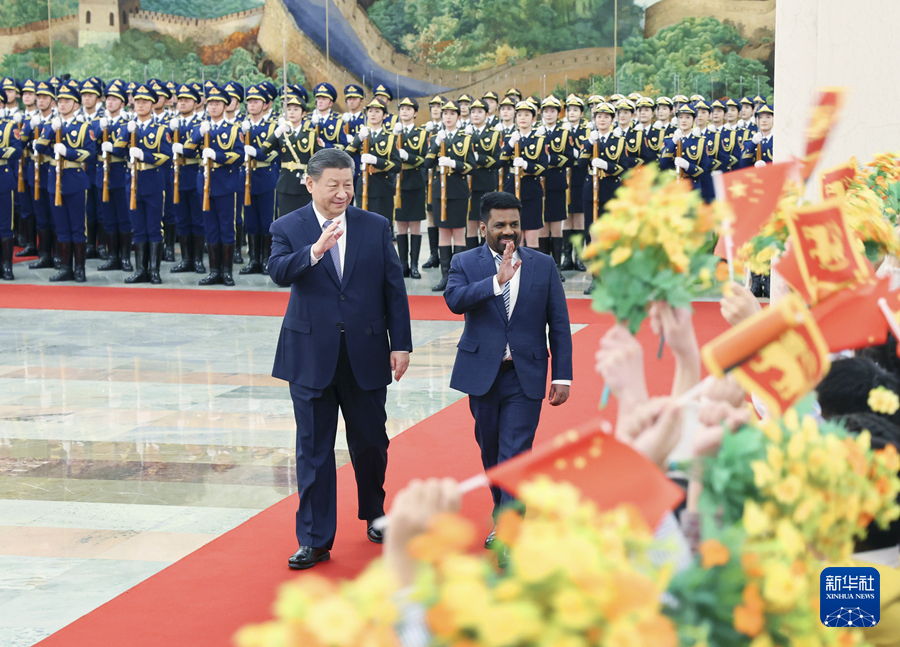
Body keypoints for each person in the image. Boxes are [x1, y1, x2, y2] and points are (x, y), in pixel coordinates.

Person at [267, 147, 412, 570]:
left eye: (348, 184)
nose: (342, 193)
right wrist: (314, 251)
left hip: (366, 351)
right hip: (310, 355)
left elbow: (393, 288)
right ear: (310, 184)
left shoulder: (374, 225)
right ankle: (314, 539)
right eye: (333, 185)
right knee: (313, 448)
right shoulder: (287, 226)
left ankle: (375, 512)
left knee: (371, 443)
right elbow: (278, 272)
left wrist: (400, 343)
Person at [444, 191, 572, 542]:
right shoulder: (464, 262)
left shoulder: (543, 265)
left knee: (515, 451)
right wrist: (496, 282)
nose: (508, 231)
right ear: (483, 227)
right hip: (481, 374)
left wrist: (562, 375)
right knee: (491, 451)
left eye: (514, 224)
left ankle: (509, 527)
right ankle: (503, 512)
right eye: (500, 224)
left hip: (524, 374)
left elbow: (559, 323)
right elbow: (454, 300)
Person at [34, 79, 95, 282]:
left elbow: (90, 154)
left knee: (77, 227)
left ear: (75, 105)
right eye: (59, 101)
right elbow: (39, 148)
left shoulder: (84, 127)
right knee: (61, 227)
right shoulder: (51, 125)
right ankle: (65, 267)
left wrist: (68, 152)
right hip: (55, 180)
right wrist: (51, 130)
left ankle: (80, 269)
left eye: (67, 101)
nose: (62, 104)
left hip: (75, 180)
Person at [188, 83, 244, 286]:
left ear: (225, 106)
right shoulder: (201, 128)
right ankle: (214, 271)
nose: (213, 106)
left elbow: (240, 156)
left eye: (217, 103)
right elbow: (187, 150)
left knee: (226, 228)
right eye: (210, 103)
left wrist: (217, 156)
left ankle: (227, 272)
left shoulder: (233, 129)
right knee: (210, 228)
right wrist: (198, 135)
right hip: (205, 184)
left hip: (225, 183)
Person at [121, 83, 172, 285]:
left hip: (153, 181)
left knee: (154, 227)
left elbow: (167, 157)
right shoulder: (128, 127)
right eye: (137, 102)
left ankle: (154, 270)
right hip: (133, 182)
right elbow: (116, 150)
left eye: (145, 102)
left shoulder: (160, 130)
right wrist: (125, 135)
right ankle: (140, 270)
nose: (140, 105)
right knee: (138, 227)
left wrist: (145, 156)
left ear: (152, 104)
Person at [423, 100, 475, 292]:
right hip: (440, 192)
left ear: (458, 117)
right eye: (445, 114)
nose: (448, 117)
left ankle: (459, 276)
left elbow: (472, 167)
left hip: (458, 191)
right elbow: (427, 164)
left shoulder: (466, 139)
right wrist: (436, 144)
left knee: (459, 233)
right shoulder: (435, 138)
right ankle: (445, 276)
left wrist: (454, 164)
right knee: (444, 233)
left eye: (452, 114)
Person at [95, 80, 135, 274]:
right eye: (108, 99)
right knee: (108, 217)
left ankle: (125, 257)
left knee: (124, 218)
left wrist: (110, 144)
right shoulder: (98, 122)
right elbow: (89, 142)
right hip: (102, 174)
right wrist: (99, 128)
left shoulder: (127, 124)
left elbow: (120, 149)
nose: (110, 102)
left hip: (120, 174)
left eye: (114, 99)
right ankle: (113, 257)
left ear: (122, 103)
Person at [239, 84, 279, 275]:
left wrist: (256, 152)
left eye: (256, 102)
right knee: (251, 221)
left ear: (265, 104)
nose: (252, 105)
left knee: (266, 221)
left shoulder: (272, 126)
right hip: (247, 177)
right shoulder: (242, 126)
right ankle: (254, 260)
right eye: (249, 102)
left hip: (266, 177)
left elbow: (275, 153)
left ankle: (266, 260)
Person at [262, 86, 319, 218]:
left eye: (296, 109)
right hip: (286, 184)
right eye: (289, 109)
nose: (291, 112)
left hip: (304, 184)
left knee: (305, 219)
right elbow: (264, 150)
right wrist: (277, 133)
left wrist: (311, 174)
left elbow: (320, 158)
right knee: (286, 220)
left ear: (303, 114)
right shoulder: (282, 133)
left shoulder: (310, 134)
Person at [500, 101, 548, 251]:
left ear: (533, 119)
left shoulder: (539, 140)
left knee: (532, 237)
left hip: (531, 190)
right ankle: (515, 266)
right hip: (512, 190)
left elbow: (544, 169)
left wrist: (527, 165)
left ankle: (531, 266)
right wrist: (510, 143)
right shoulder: (510, 138)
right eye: (519, 115)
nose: (522, 118)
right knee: (514, 237)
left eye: (527, 115)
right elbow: (500, 161)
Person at [344, 98, 402, 224]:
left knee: (382, 225)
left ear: (384, 115)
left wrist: (376, 160)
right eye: (370, 111)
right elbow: (345, 157)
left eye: (377, 111)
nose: (373, 114)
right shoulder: (362, 135)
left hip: (382, 186)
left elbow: (397, 166)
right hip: (363, 184)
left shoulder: (390, 138)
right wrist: (358, 139)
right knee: (362, 224)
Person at [168, 83, 206, 275]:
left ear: (195, 103)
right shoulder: (171, 124)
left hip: (194, 174)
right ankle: (186, 259)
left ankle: (197, 259)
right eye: (180, 100)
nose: (182, 103)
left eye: (187, 100)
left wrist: (182, 148)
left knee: (197, 219)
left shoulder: (201, 125)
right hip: (177, 176)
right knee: (181, 219)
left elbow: (192, 149)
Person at [394, 97, 428, 278]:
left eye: (408, 109)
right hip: (398, 183)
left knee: (414, 225)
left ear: (415, 113)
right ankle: (402, 265)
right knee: (400, 226)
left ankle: (414, 265)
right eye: (402, 109)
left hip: (415, 182)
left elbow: (425, 160)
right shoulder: (393, 133)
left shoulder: (421, 134)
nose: (405, 112)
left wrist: (408, 157)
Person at [466, 98, 503, 251]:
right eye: (473, 112)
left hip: (485, 183)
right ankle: (471, 258)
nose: (476, 115)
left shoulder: (493, 135)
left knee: (485, 223)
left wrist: (478, 158)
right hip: (467, 184)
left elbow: (498, 161)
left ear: (487, 114)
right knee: (470, 224)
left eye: (480, 112)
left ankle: (486, 256)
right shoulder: (464, 133)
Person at [0, 109, 22, 280]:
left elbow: (17, 150)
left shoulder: (8, 126)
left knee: (5, 223)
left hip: (2, 176)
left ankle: (6, 265)